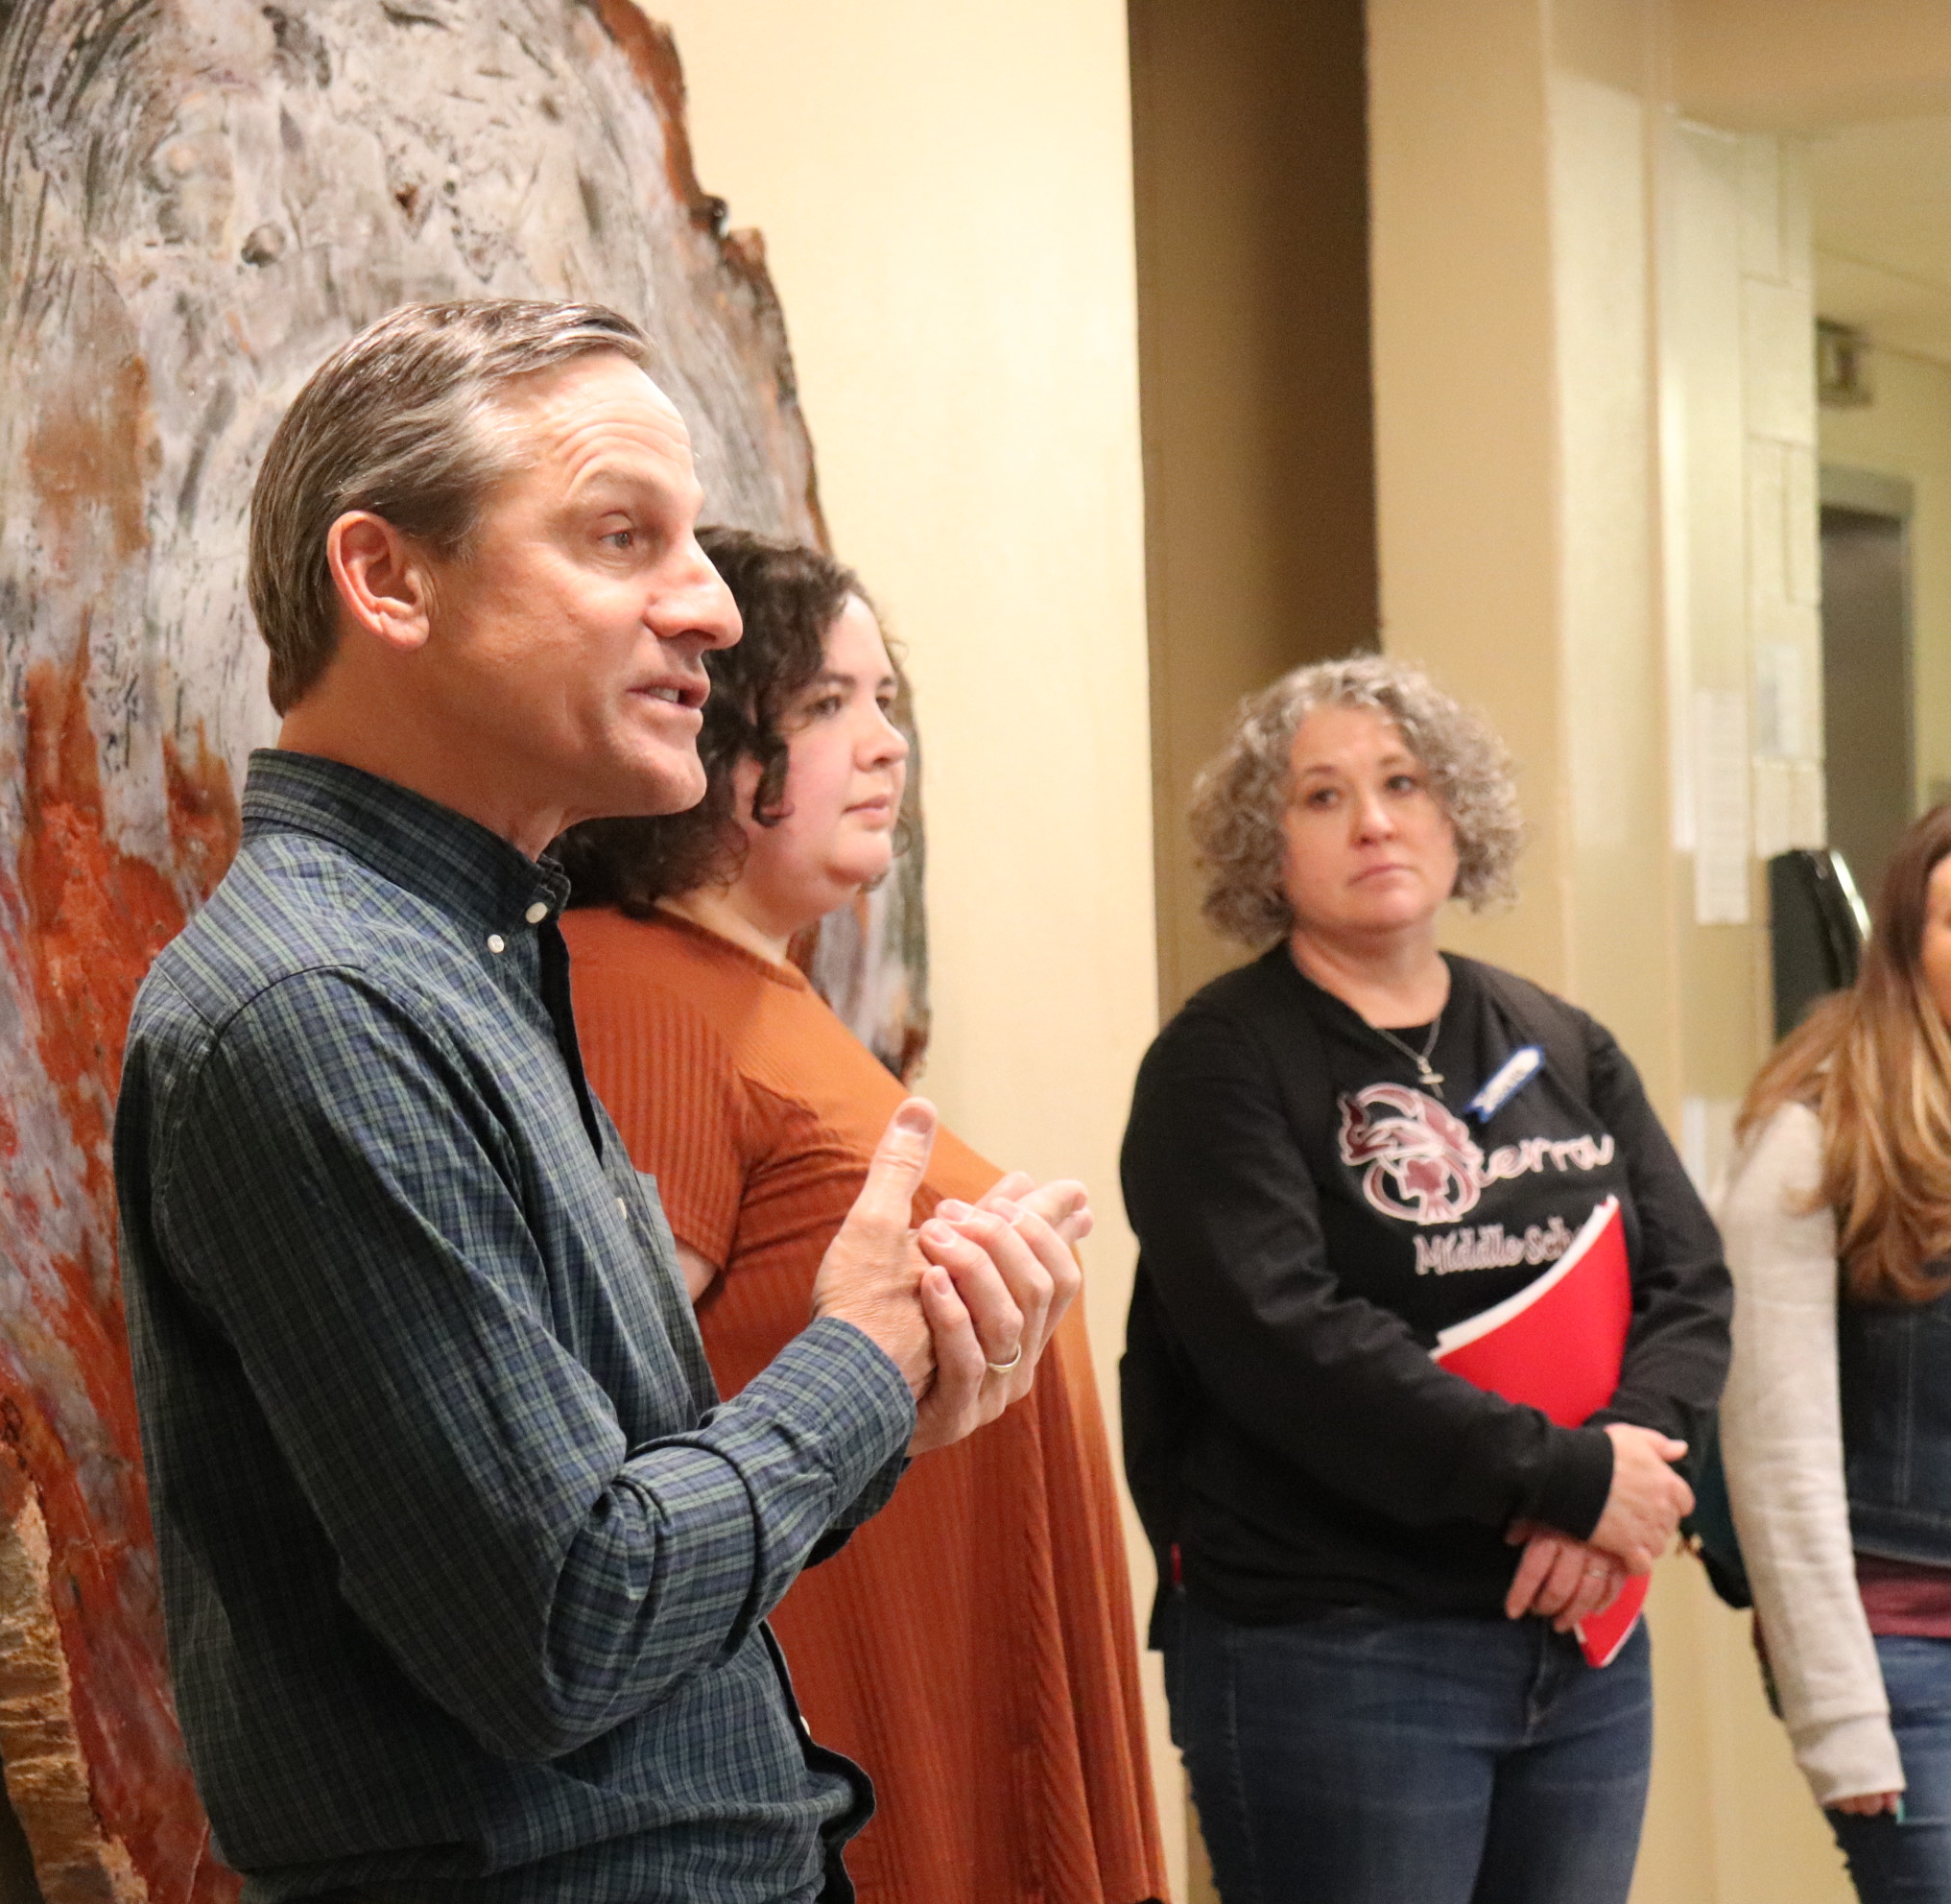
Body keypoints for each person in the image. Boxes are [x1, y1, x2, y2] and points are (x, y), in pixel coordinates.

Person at [113, 298, 1082, 1903]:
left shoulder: (472, 956)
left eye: (690, 541)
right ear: (387, 578)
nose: (710, 607)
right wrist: (859, 1363)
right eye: (622, 536)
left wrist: (895, 1386)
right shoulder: (322, 1005)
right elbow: (567, 1626)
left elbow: (622, 1533)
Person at [550, 529, 1164, 1903]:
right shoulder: (634, 988)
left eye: (886, 700)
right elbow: (617, 1417)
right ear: (711, 731)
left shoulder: (761, 992)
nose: (887, 744)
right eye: (829, 703)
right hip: (849, 1701)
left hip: (947, 1668)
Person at [1118, 654, 1731, 1904]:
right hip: (1342, 1652)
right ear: (1266, 846)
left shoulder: (1560, 1041)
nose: (1375, 822)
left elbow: (1690, 1279)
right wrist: (1569, 1481)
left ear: (1459, 812)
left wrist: (1623, 1470)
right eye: (1323, 796)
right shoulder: (1218, 1066)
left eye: (1403, 782)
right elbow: (1291, 1343)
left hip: (1580, 1639)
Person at [1723, 800, 1951, 1899]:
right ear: (1906, 946)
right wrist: (1839, 1717)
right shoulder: (1816, 1136)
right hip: (1907, 1662)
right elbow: (1779, 1454)